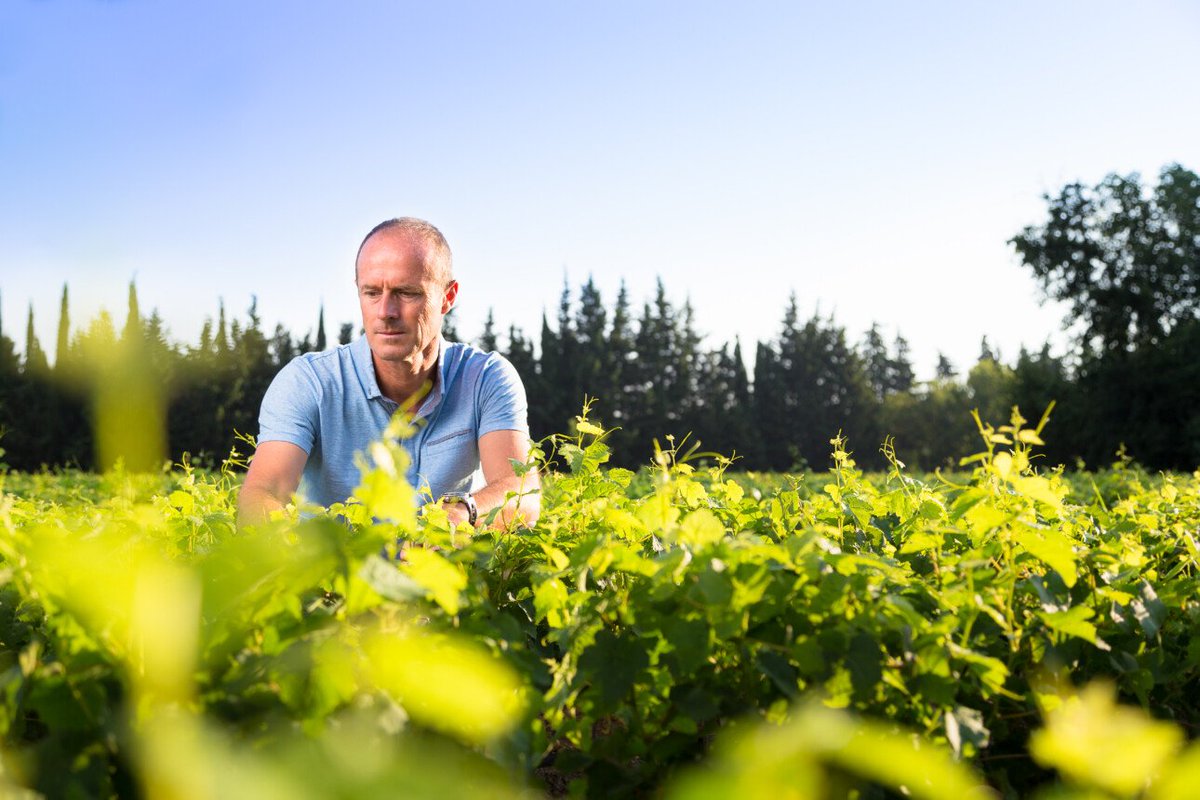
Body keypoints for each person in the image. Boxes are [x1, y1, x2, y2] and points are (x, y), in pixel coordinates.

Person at [237, 217, 540, 530]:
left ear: (447, 298)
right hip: (334, 576)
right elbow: (263, 493)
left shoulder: (485, 378)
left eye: (406, 293)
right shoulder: (308, 382)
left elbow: (521, 494)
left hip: (445, 576)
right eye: (371, 293)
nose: (385, 312)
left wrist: (463, 515)